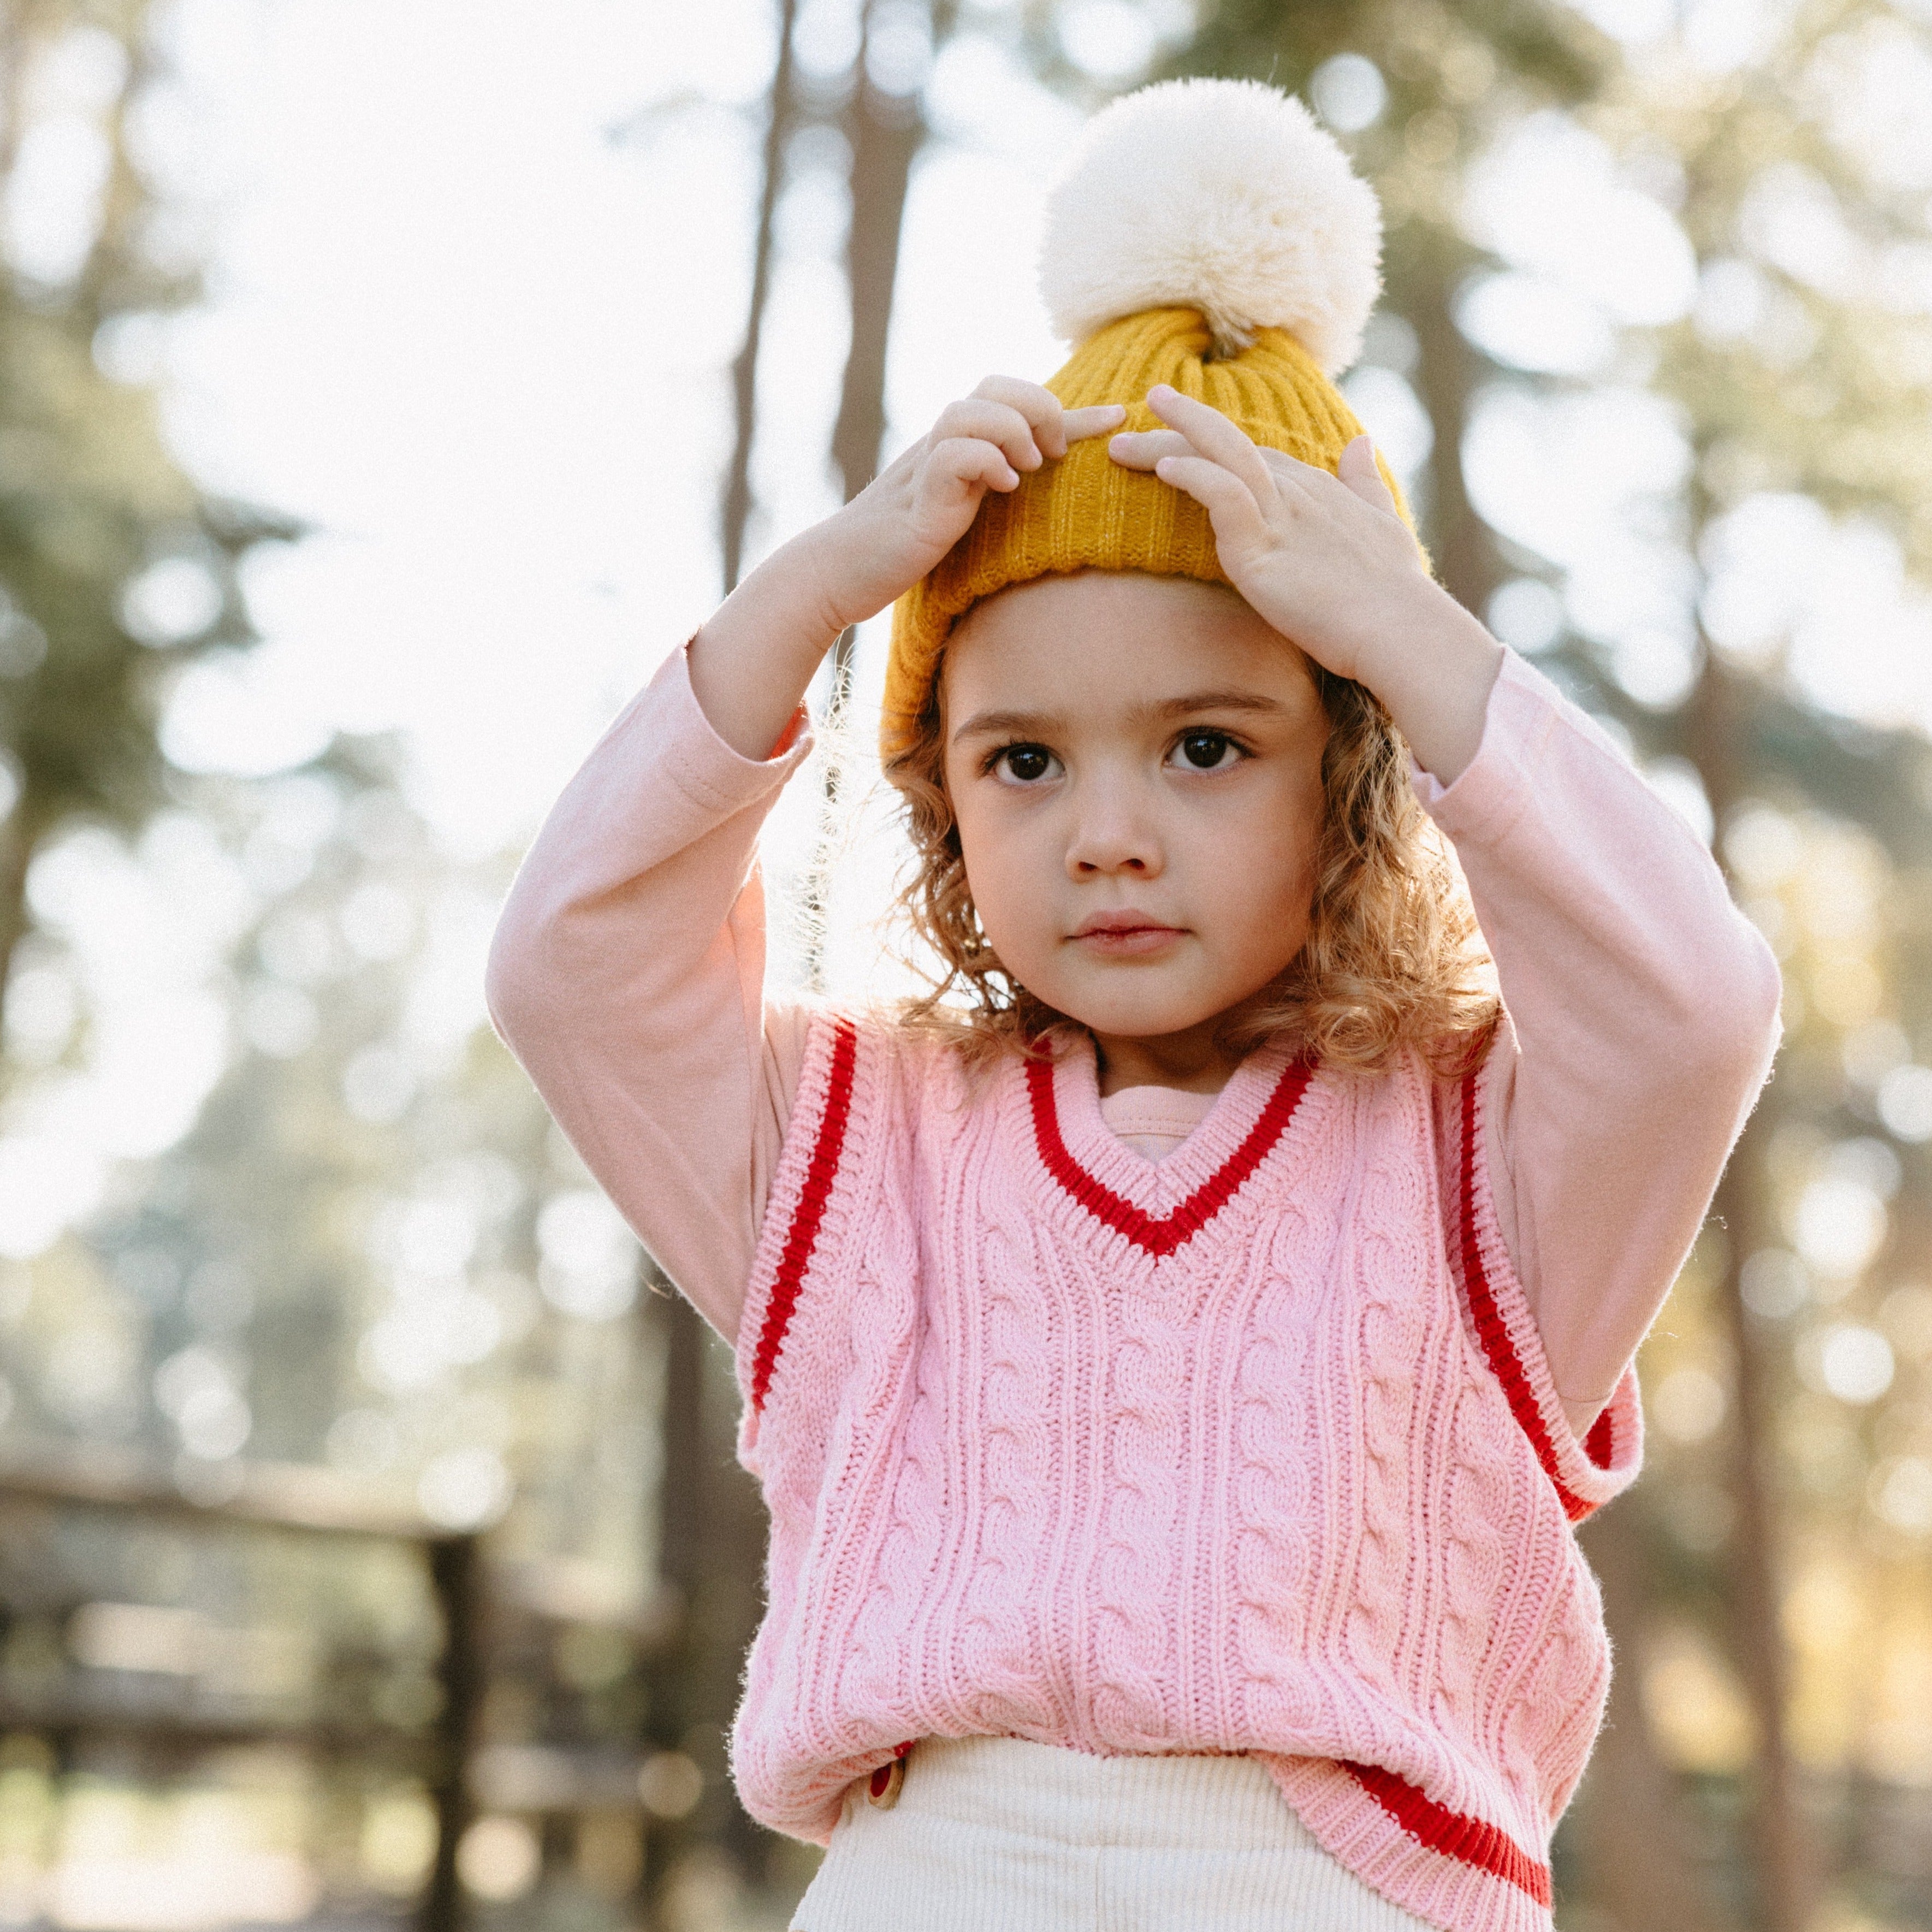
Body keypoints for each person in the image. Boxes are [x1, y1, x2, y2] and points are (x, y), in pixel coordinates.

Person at [488, 75, 1780, 1932]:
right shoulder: (849, 1153)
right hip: (928, 1879)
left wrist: (1401, 630)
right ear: (938, 791)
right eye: (1020, 759)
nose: (1106, 834)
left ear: (1347, 771)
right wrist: (822, 590)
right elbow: (573, 964)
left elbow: (1691, 1009)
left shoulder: (1486, 1160)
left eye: (1202, 744)